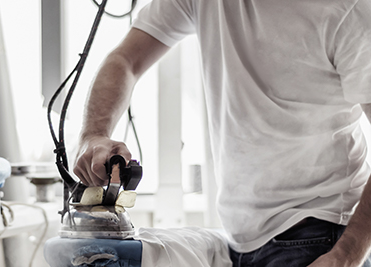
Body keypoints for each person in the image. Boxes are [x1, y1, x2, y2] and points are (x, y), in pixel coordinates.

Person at [73, 0, 371, 266]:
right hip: (239, 238)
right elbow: (126, 60)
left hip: (318, 234)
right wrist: (95, 135)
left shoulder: (345, 9)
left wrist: (347, 254)